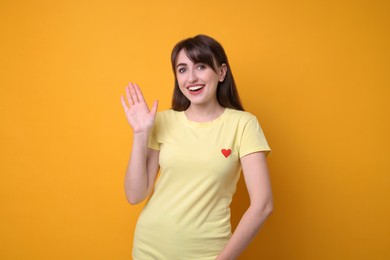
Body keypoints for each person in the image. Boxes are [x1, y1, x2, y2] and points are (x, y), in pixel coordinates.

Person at [121, 34, 273, 260]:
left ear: (221, 72)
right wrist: (140, 134)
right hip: (149, 249)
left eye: (200, 66)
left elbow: (263, 205)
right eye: (182, 69)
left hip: (208, 254)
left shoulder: (243, 124)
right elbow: (135, 195)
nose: (191, 78)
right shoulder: (162, 121)